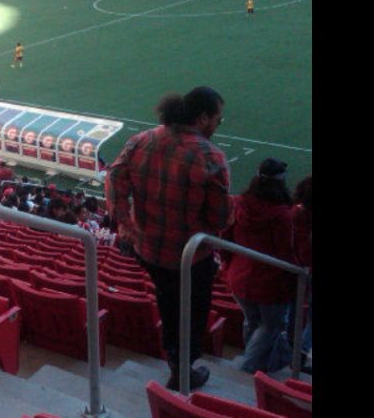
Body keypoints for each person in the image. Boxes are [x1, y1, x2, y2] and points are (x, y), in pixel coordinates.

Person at [105, 86, 230, 391]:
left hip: (149, 251)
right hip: (190, 257)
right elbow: (219, 218)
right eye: (218, 119)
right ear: (203, 118)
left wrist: (125, 222)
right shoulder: (210, 156)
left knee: (168, 301)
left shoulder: (141, 140)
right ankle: (182, 369)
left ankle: (176, 363)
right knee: (191, 312)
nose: (218, 125)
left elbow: (114, 177)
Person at [221, 158, 295, 374]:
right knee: (272, 325)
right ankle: (249, 367)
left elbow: (226, 237)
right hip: (267, 282)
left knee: (253, 321)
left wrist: (227, 266)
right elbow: (285, 253)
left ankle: (258, 362)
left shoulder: (238, 203)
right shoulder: (282, 215)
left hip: (238, 275)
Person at [289, 175, 312, 373]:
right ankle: (300, 353)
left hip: (294, 270)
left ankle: (295, 349)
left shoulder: (293, 213)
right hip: (302, 269)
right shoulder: (299, 217)